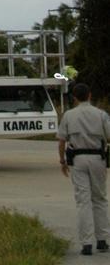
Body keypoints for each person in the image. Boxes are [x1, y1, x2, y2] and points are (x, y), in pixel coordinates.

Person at [57, 81, 110, 257]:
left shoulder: (69, 115)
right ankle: (102, 239)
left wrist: (62, 161)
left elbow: (62, 141)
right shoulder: (101, 114)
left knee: (83, 201)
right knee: (100, 199)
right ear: (89, 96)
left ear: (74, 98)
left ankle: (86, 243)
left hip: (78, 159)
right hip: (97, 158)